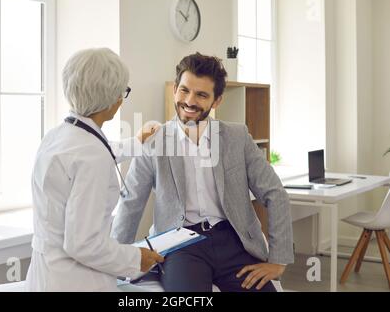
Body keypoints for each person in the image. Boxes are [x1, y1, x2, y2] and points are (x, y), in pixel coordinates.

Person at [111, 52, 294, 292]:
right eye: (184, 90)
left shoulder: (237, 137)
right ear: (175, 89)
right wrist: (115, 260)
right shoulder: (154, 141)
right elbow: (131, 202)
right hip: (179, 244)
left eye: (201, 95)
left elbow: (275, 193)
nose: (189, 101)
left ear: (217, 101)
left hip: (234, 240)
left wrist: (278, 261)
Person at [25, 48, 164, 292]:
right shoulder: (92, 156)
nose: (122, 99)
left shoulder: (58, 136)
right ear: (113, 99)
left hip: (45, 272)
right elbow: (84, 244)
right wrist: (135, 258)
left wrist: (137, 141)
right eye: (123, 92)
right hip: (75, 280)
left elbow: (91, 151)